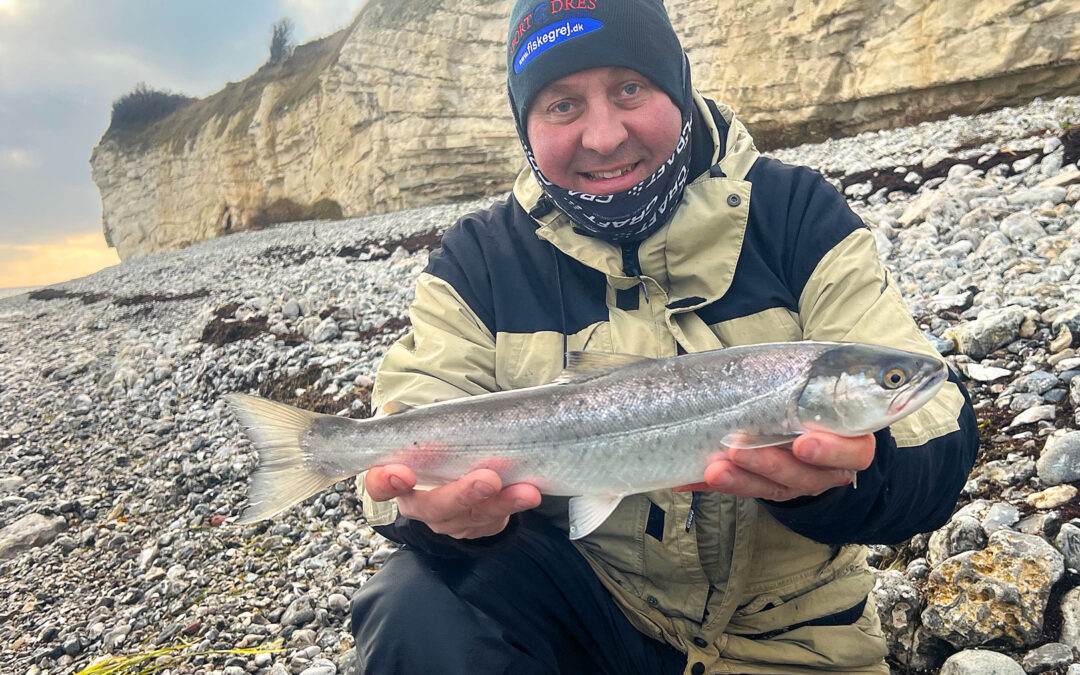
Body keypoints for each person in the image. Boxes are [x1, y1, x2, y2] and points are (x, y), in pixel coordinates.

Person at [349, 1, 979, 673]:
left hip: (798, 636)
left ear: (676, 86)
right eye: (562, 105)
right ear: (525, 126)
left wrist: (848, 479)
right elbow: (402, 427)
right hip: (592, 606)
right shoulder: (480, 261)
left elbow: (936, 428)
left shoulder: (795, 215)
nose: (603, 136)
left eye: (629, 88)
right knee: (414, 602)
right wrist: (427, 512)